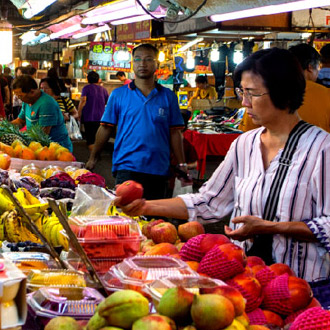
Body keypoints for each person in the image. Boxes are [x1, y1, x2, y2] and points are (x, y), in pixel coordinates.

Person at [114, 47, 330, 282]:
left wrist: (272, 227)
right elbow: (209, 201)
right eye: (241, 92)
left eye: (252, 93)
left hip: (303, 285)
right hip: (247, 280)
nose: (244, 103)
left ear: (283, 93)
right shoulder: (244, 144)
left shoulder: (321, 149)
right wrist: (144, 207)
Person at [86, 43, 186, 200]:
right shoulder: (118, 95)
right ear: (132, 63)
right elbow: (105, 128)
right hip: (127, 165)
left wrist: (181, 164)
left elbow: (175, 133)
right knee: (127, 218)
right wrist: (93, 157)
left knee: (155, 218)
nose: (142, 64)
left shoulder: (168, 97)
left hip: (158, 167)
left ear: (157, 64)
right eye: (138, 59)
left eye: (148, 59)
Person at [239, 43, 330, 133]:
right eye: (318, 68)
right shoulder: (327, 95)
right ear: (310, 67)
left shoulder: (263, 93)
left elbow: (246, 132)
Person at [11, 75, 73, 152]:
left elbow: (42, 134)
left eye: (20, 96)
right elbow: (20, 120)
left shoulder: (47, 104)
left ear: (32, 92)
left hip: (56, 150)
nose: (19, 99)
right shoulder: (27, 101)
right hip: (37, 146)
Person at [77, 71, 109, 152]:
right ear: (98, 79)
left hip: (89, 117)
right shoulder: (103, 89)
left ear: (88, 79)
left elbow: (83, 100)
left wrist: (79, 112)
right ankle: (96, 154)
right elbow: (107, 102)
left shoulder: (86, 88)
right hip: (101, 117)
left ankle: (94, 156)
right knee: (97, 138)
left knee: (90, 139)